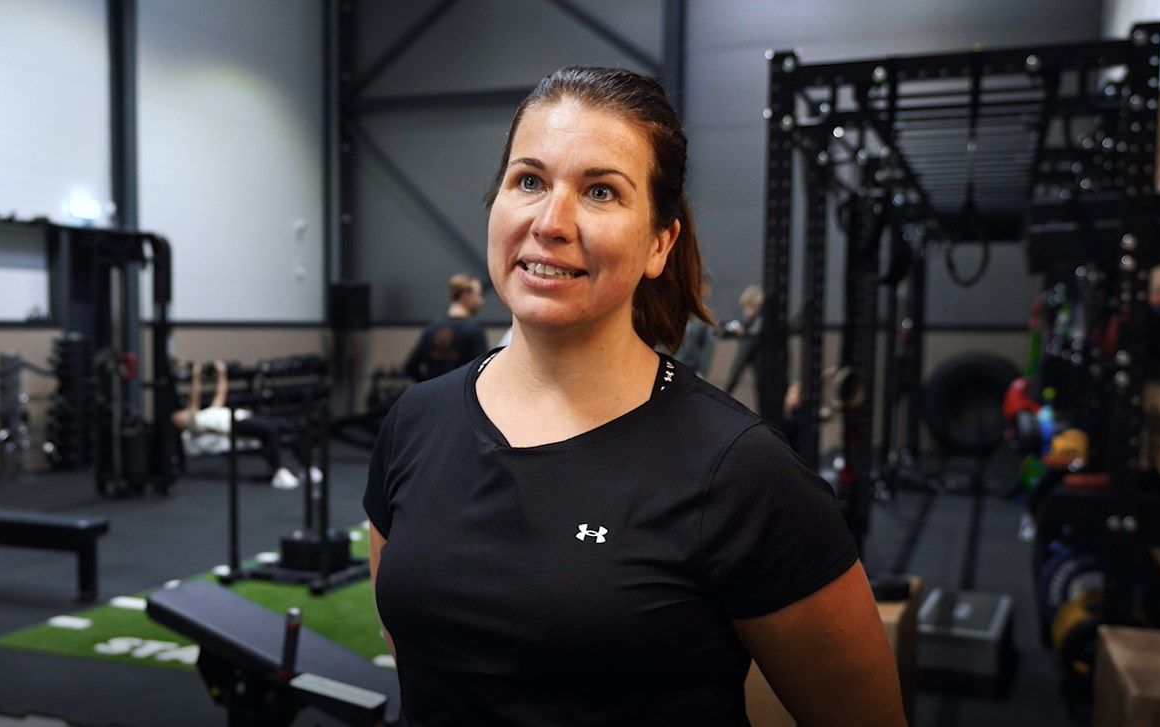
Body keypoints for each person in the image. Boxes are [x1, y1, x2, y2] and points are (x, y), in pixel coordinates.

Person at [364, 67, 903, 725]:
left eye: (600, 191)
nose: (552, 221)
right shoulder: (416, 421)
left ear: (659, 242)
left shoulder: (742, 473)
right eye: (529, 180)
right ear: (495, 202)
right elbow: (421, 665)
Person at [172, 360, 318, 490]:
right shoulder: (195, 424)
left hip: (245, 417)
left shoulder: (209, 411)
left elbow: (221, 392)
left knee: (292, 426)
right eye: (178, 417)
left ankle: (306, 466)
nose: (180, 414)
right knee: (270, 430)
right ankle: (279, 472)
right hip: (236, 425)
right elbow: (194, 398)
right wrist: (195, 375)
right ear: (181, 424)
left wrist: (221, 371)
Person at [402, 273, 488, 382]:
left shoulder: (431, 328)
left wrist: (427, 385)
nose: (481, 301)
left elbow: (410, 366)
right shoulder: (474, 331)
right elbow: (481, 370)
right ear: (465, 296)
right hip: (460, 396)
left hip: (434, 395)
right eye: (478, 295)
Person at [721, 284, 765, 392]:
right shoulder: (747, 323)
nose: (747, 312)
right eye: (745, 308)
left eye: (750, 307)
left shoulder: (759, 324)